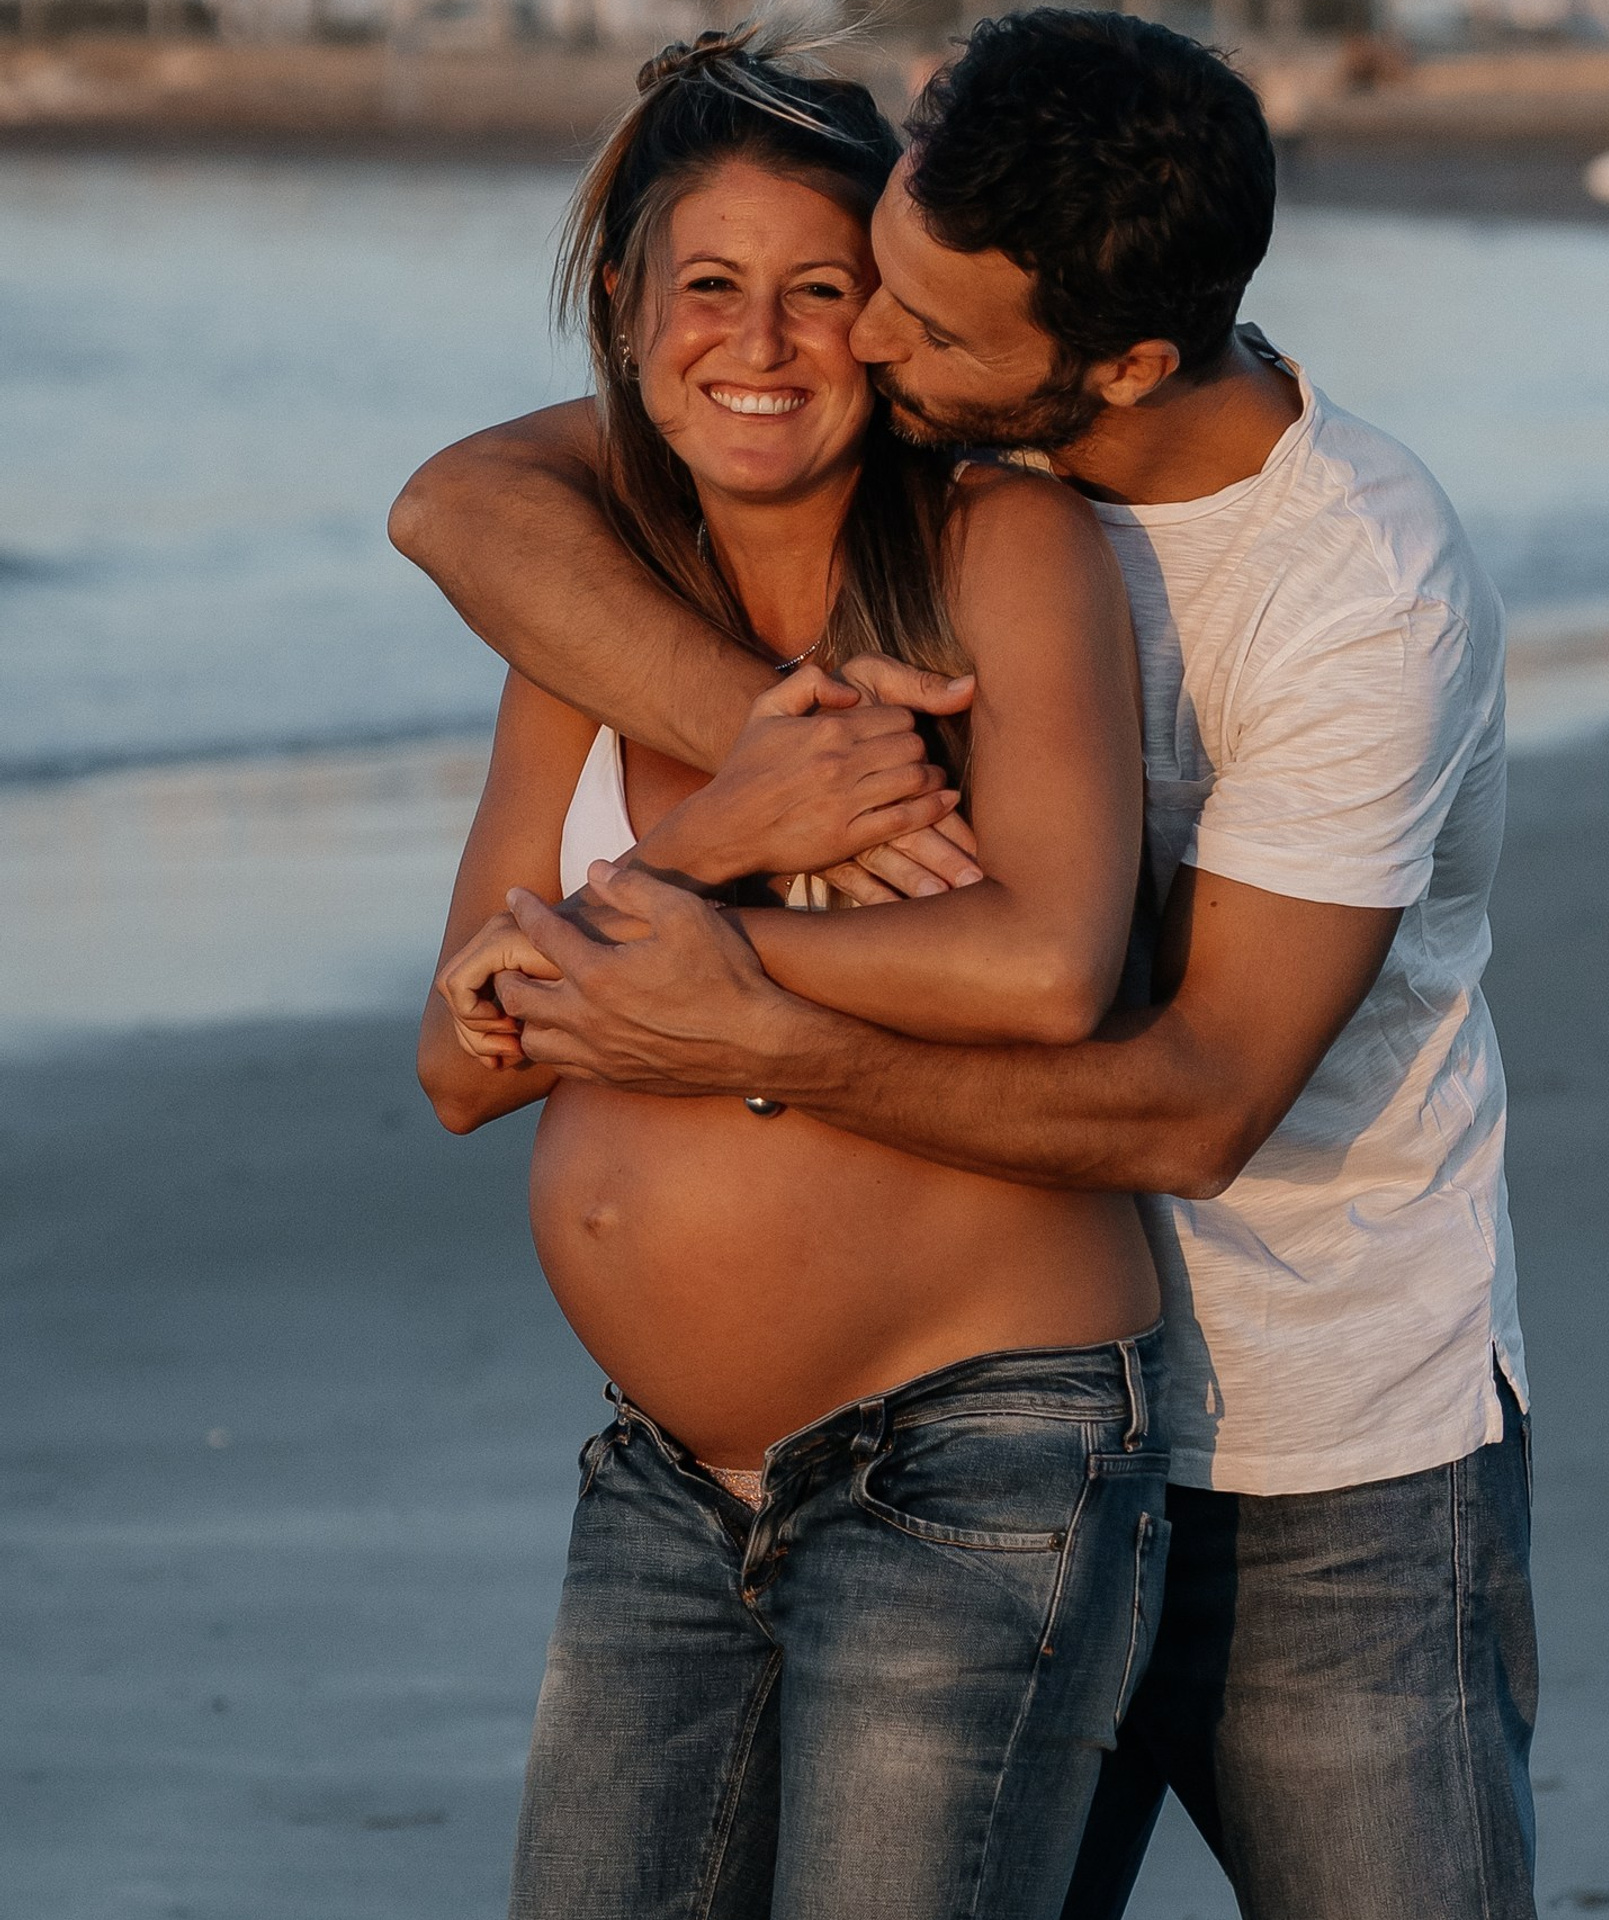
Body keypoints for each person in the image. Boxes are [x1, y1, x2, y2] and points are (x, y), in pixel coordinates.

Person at [394, 13, 1539, 1920]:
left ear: (1119, 365)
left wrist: (731, 1006)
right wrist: (764, 777)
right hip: (776, 1451)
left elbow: (1186, 1097)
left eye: (900, 315)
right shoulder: (870, 448)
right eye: (874, 277)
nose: (854, 341)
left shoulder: (1347, 599)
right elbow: (455, 505)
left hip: (1301, 1436)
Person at [410, 28, 1170, 1918]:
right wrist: (713, 839)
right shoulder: (583, 612)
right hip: (666, 1485)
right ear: (626, 305)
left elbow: (1048, 965)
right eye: (711, 288)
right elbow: (462, 1058)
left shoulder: (1001, 545)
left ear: (885, 321)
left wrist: (696, 962)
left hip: (968, 1455)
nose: (758, 342)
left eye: (820, 292)